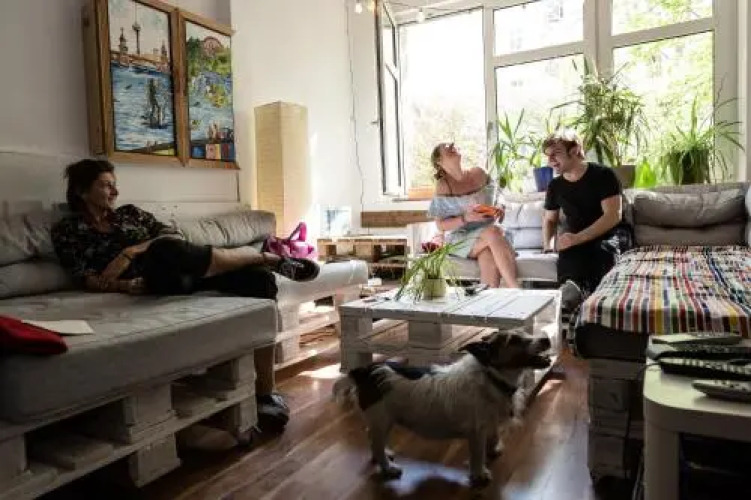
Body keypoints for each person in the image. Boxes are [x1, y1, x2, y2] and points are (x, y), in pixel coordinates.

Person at [51, 159, 321, 434]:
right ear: (82, 191)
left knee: (260, 281)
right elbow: (86, 278)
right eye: (106, 186)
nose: (115, 192)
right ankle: (265, 257)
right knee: (162, 251)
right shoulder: (68, 231)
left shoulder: (130, 214)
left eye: (114, 185)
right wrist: (125, 284)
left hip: (190, 272)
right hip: (153, 281)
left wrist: (132, 251)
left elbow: (171, 234)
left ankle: (265, 391)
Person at [541, 130, 631, 310]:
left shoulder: (603, 175)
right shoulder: (555, 186)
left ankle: (585, 297)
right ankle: (571, 292)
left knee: (603, 249)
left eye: (555, 153)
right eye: (547, 155)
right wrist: (549, 245)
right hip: (578, 237)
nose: (550, 161)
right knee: (568, 251)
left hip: (612, 232)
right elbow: (550, 220)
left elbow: (613, 216)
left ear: (574, 150)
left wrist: (577, 238)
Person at [427, 142, 519, 288]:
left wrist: (500, 206)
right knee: (494, 232)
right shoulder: (443, 186)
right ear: (439, 161)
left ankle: (487, 299)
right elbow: (440, 225)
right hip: (462, 237)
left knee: (488, 251)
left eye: (452, 144)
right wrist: (466, 218)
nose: (452, 145)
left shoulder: (479, 173)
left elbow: (499, 194)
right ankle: (517, 290)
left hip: (490, 235)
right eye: (447, 147)